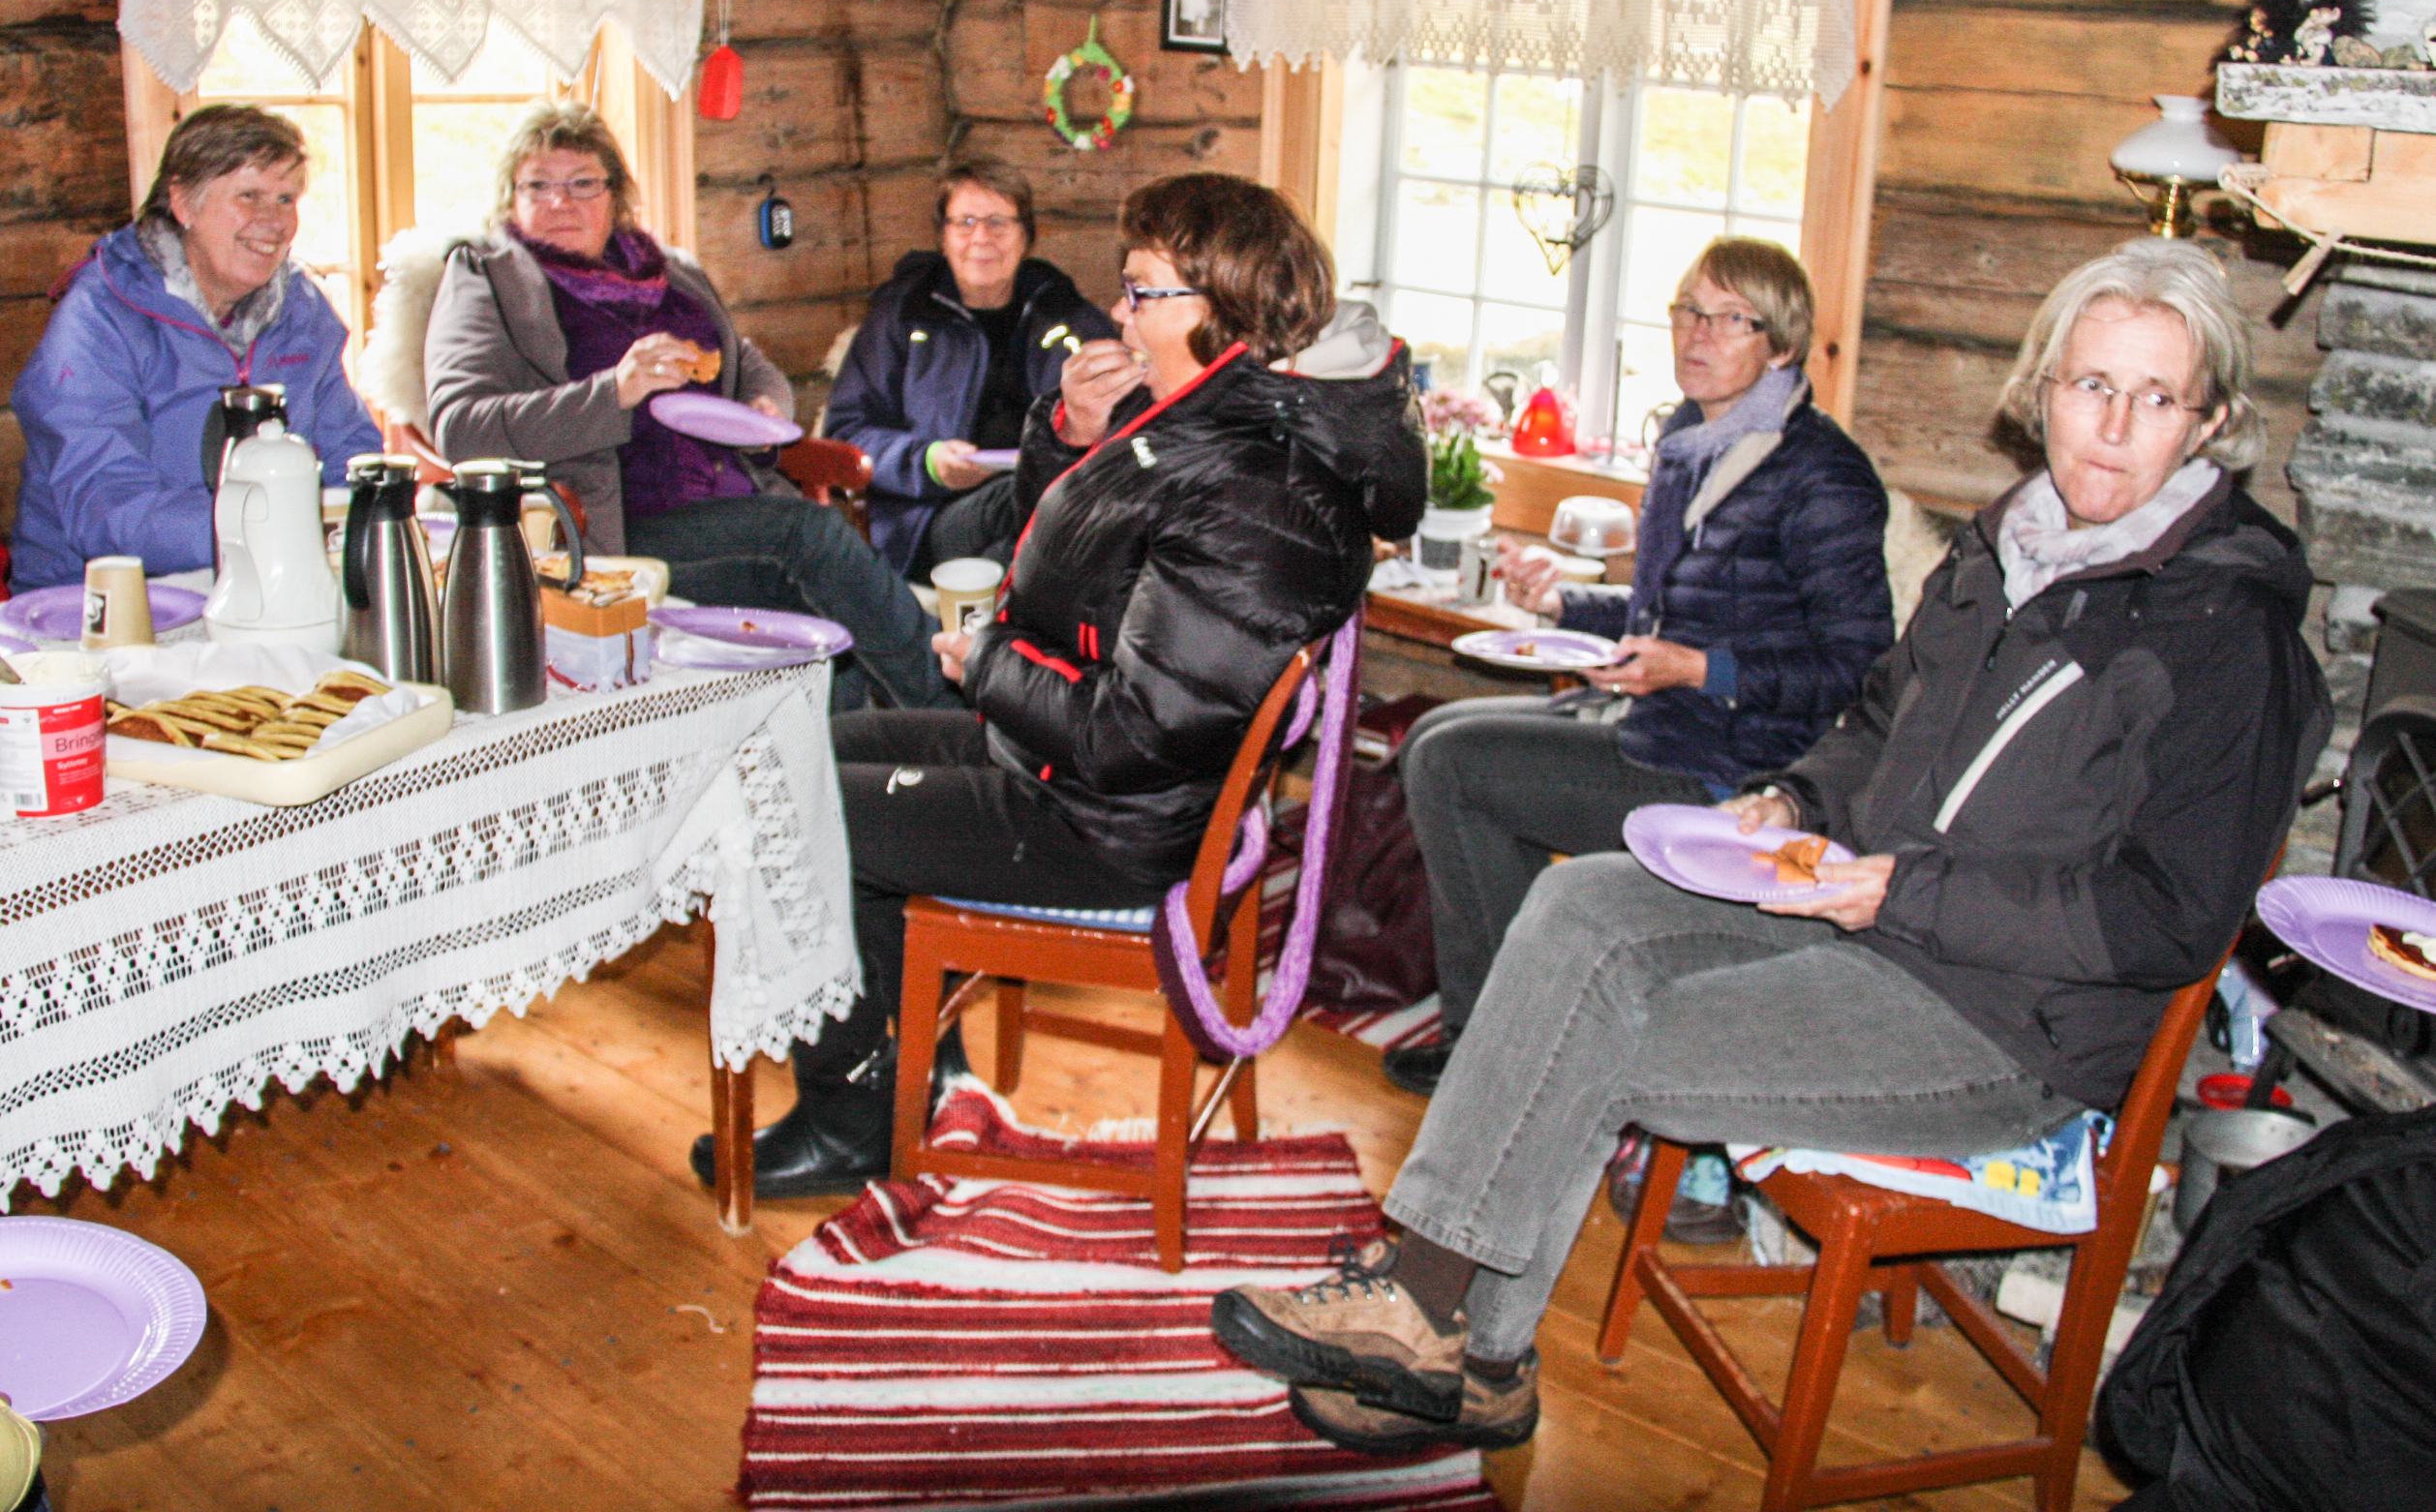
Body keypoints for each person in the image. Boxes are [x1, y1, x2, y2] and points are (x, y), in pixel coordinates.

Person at [1210, 238, 2331, 1456]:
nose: (2109, 425)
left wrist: (1907, 889)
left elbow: (2162, 917)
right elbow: (1877, 716)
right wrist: (1795, 799)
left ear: (2207, 419)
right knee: (1582, 910)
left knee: (1594, 1027)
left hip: (2005, 1018)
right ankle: (1458, 1339)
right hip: (1861, 908)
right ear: (2041, 389)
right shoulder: (2008, 547)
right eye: (2087, 384)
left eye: (2153, 396)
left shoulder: (2224, 634)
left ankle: (1440, 1318)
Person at [692, 171, 1427, 1197]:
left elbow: (1132, 729)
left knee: (790, 806)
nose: (1119, 313)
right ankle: (917, 1063)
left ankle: (854, 1113)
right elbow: (1074, 561)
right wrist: (1070, 440)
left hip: (1103, 820)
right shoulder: (1207, 424)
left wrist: (983, 660)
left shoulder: (1255, 488)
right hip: (1066, 769)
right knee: (799, 757)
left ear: (1210, 306)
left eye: (1139, 291)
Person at [1384, 238, 1893, 1100]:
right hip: (1658, 723)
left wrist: (1701, 671)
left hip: (1737, 773)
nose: (1697, 334)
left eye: (1730, 319)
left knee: (1449, 763)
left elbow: (1857, 666)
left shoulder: (1822, 476)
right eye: (1688, 310)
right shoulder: (1694, 438)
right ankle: (1521, 1013)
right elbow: (1659, 614)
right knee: (1434, 729)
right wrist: (1562, 604)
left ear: (1782, 345)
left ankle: (1495, 1044)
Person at [424, 103, 946, 709]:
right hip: (613, 528)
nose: (560, 202)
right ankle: (952, 714)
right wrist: (612, 393)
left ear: (616, 195)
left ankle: (874, 764)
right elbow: (460, 429)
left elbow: (744, 359)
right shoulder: (488, 278)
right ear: (510, 198)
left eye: (582, 184)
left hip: (732, 505)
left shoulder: (668, 270)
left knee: (829, 618)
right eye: (537, 186)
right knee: (814, 539)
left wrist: (766, 406)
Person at [12, 105, 380, 588]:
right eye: (249, 195)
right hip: (107, 604)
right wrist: (271, 525)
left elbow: (348, 449)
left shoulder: (300, 309)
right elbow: (105, 508)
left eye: (286, 198)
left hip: (268, 574)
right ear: (183, 203)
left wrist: (362, 509)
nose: (274, 222)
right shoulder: (100, 318)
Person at [824, 161, 1119, 577]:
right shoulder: (903, 315)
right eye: (964, 222)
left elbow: (1123, 419)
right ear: (943, 237)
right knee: (1032, 504)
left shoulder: (1067, 316)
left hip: (1041, 518)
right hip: (929, 517)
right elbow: (844, 436)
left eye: (998, 222)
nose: (981, 238)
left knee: (1016, 553)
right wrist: (928, 462)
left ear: (1026, 236)